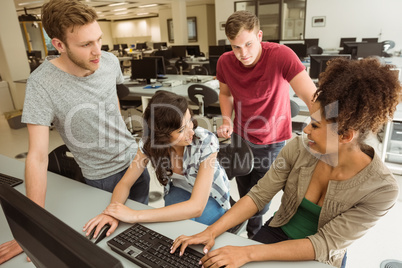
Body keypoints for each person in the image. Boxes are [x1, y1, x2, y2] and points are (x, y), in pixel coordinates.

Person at [171, 58, 401, 268]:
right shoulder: (300, 148)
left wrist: (248, 253)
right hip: (278, 232)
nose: (306, 130)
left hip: (320, 255)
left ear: (345, 136)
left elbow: (324, 243)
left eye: (316, 126)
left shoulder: (381, 189)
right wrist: (211, 232)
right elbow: (258, 195)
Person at [0, 0, 150, 264]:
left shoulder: (110, 62)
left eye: (98, 40)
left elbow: (111, 103)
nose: (97, 52)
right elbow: (37, 157)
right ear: (59, 44)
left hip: (136, 164)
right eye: (85, 45)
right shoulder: (41, 84)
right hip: (102, 179)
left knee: (142, 238)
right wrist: (33, 227)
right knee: (110, 250)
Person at [216, 10, 317, 238]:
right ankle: (249, 233)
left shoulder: (281, 55)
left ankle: (254, 236)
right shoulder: (225, 62)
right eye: (236, 47)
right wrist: (225, 119)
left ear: (260, 36)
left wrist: (327, 135)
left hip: (272, 141)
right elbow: (225, 94)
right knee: (245, 193)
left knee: (259, 201)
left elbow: (312, 98)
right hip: (241, 138)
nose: (243, 53)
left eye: (249, 44)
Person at [83, 91, 231, 239]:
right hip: (181, 189)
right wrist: (112, 213)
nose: (191, 131)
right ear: (162, 135)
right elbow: (125, 183)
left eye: (190, 121)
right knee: (172, 232)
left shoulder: (206, 142)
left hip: (211, 196)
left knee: (191, 234)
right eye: (181, 130)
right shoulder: (150, 143)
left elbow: (196, 207)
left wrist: (135, 215)